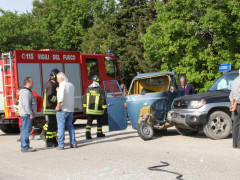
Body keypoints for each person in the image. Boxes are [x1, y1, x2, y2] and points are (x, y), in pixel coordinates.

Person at [55, 72, 77, 150]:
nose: (57, 80)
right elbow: (68, 94)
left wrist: (58, 105)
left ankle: (61, 145)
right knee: (70, 126)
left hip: (62, 109)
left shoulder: (62, 85)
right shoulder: (71, 85)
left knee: (61, 127)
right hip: (70, 109)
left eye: (57, 79)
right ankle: (73, 143)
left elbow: (61, 96)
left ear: (59, 79)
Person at [83, 75, 107, 140]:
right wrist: (105, 109)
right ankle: (99, 133)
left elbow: (85, 100)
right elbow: (103, 100)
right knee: (99, 122)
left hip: (89, 110)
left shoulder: (87, 89)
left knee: (89, 122)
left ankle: (87, 135)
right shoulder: (100, 90)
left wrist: (85, 109)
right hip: (98, 110)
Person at [18, 77, 37, 152]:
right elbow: (26, 104)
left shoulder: (25, 91)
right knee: (26, 130)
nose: (33, 83)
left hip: (25, 114)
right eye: (32, 82)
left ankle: (25, 145)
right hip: (27, 114)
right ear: (28, 83)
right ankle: (25, 146)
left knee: (24, 130)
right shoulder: (26, 92)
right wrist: (30, 113)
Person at [43, 69, 60, 147]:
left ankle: (53, 140)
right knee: (51, 125)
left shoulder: (53, 84)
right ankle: (49, 141)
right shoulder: (50, 85)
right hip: (50, 107)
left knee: (53, 125)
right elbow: (50, 97)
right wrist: (58, 100)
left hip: (52, 108)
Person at [229, 69, 240, 149]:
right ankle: (239, 143)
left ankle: (234, 143)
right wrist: (235, 104)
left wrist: (232, 103)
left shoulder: (235, 80)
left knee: (235, 124)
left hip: (235, 104)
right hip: (238, 104)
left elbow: (231, 94)